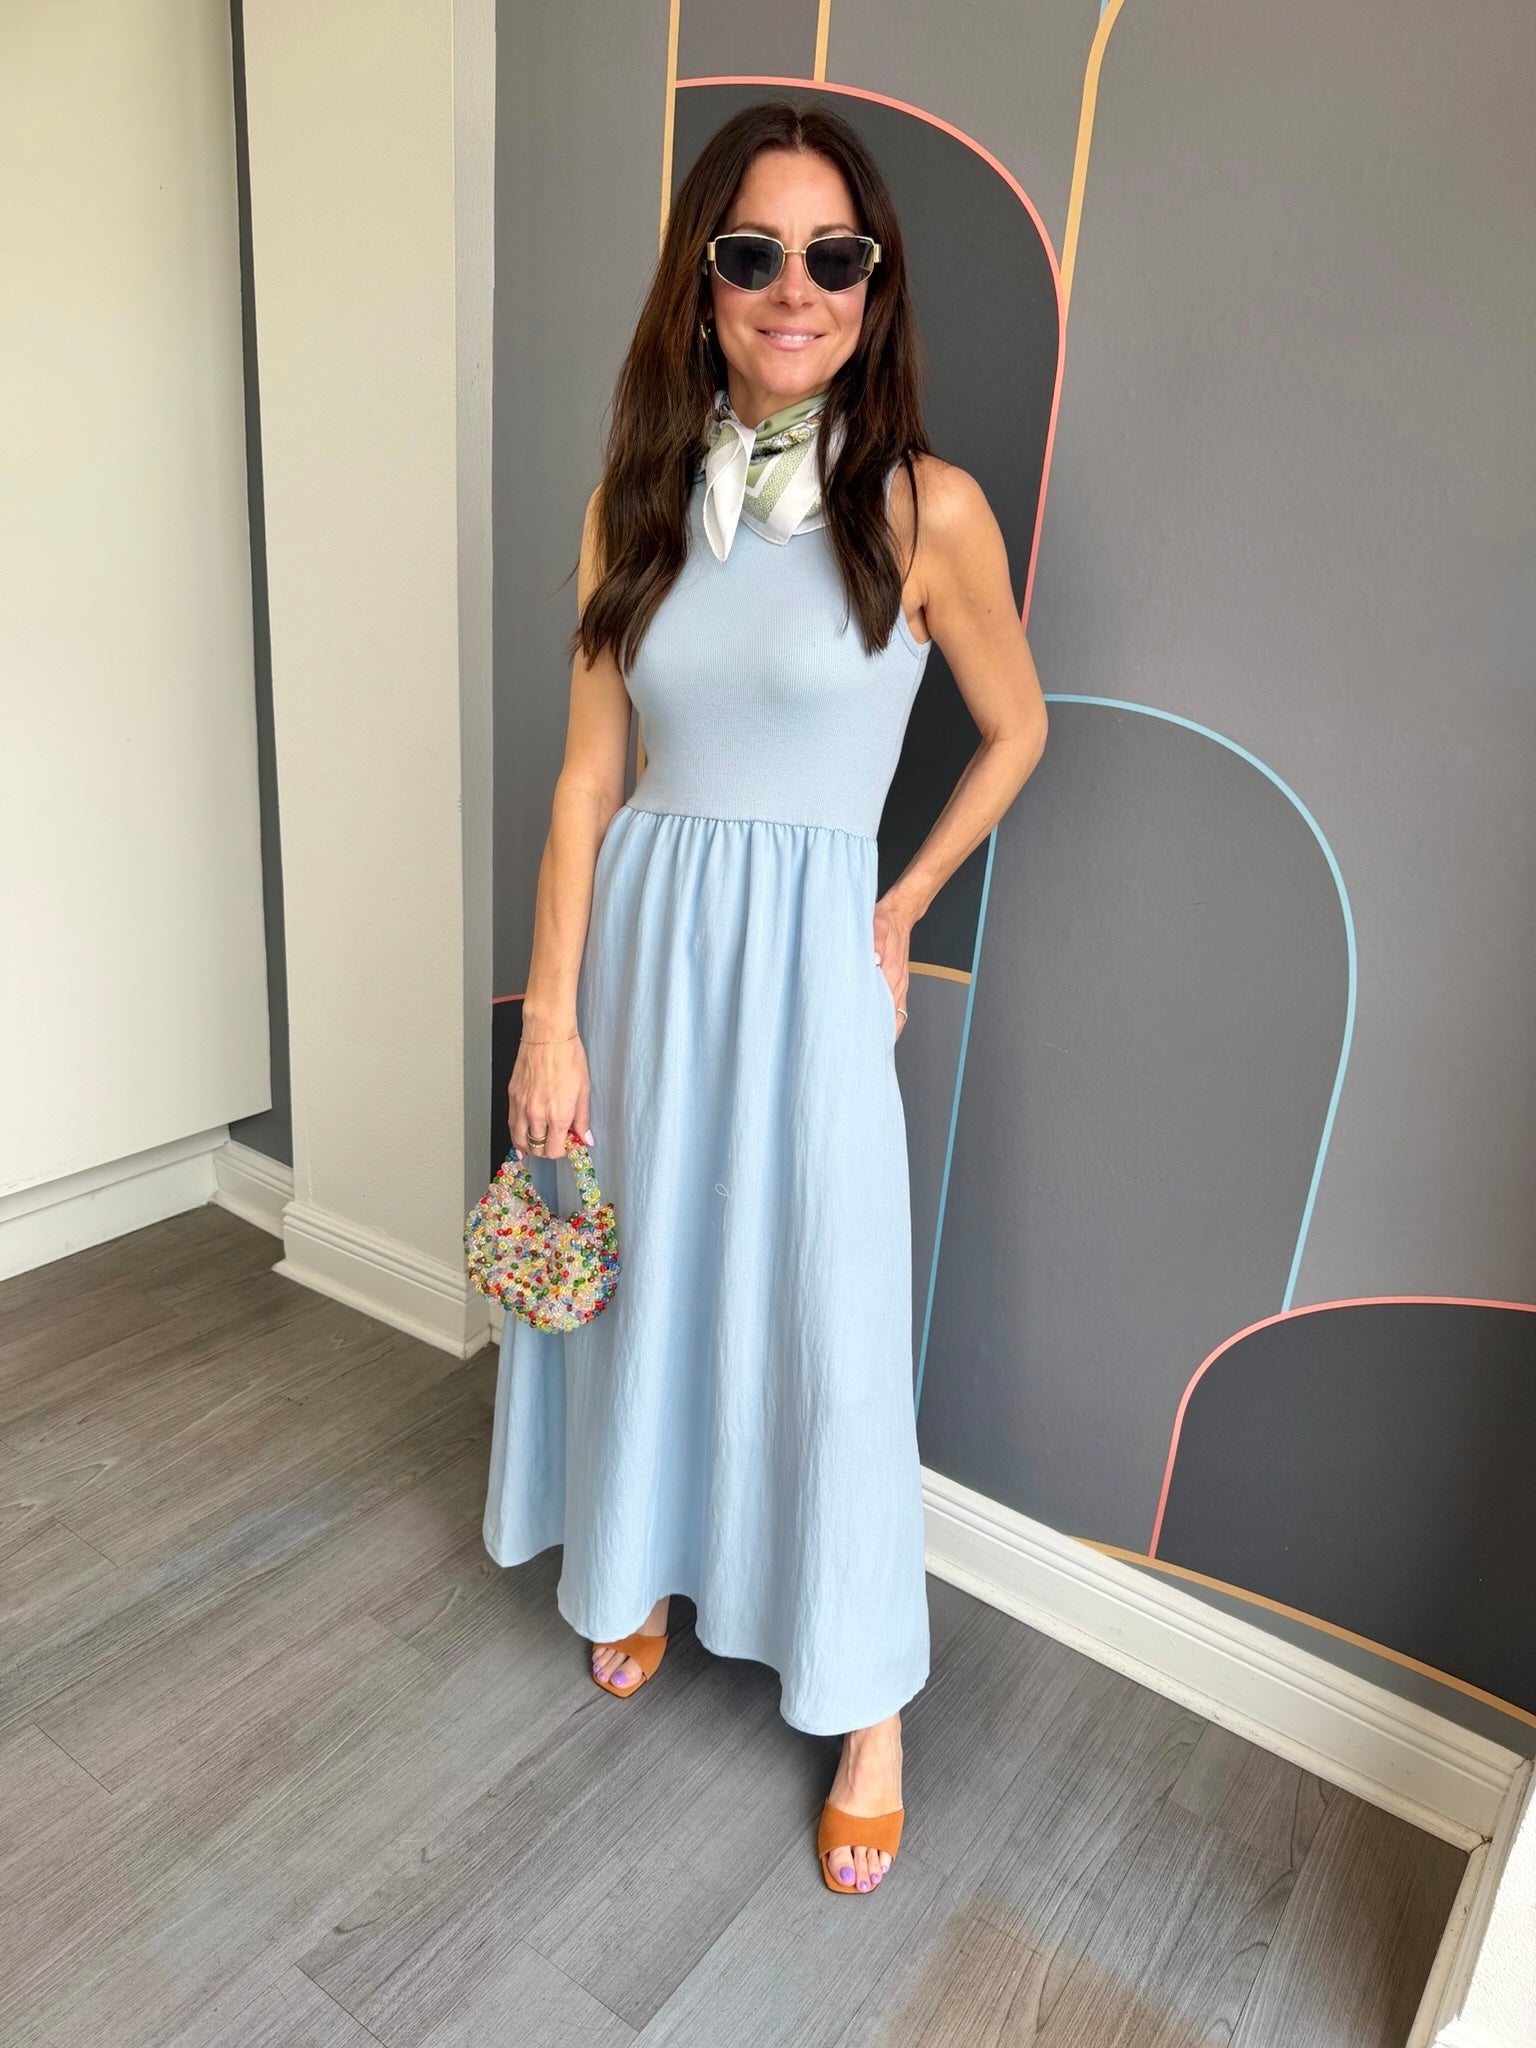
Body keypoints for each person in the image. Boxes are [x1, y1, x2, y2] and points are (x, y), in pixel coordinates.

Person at [483, 97, 1048, 1897]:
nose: (793, 288)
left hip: (808, 962)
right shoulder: (633, 505)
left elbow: (1017, 727)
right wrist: (550, 1016)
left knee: (826, 1317)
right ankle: (636, 1556)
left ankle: (868, 1708)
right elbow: (588, 778)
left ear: (873, 286)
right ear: (703, 285)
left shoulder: (930, 509)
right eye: (752, 254)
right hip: (642, 946)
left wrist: (901, 902)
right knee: (648, 1278)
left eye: (832, 254)